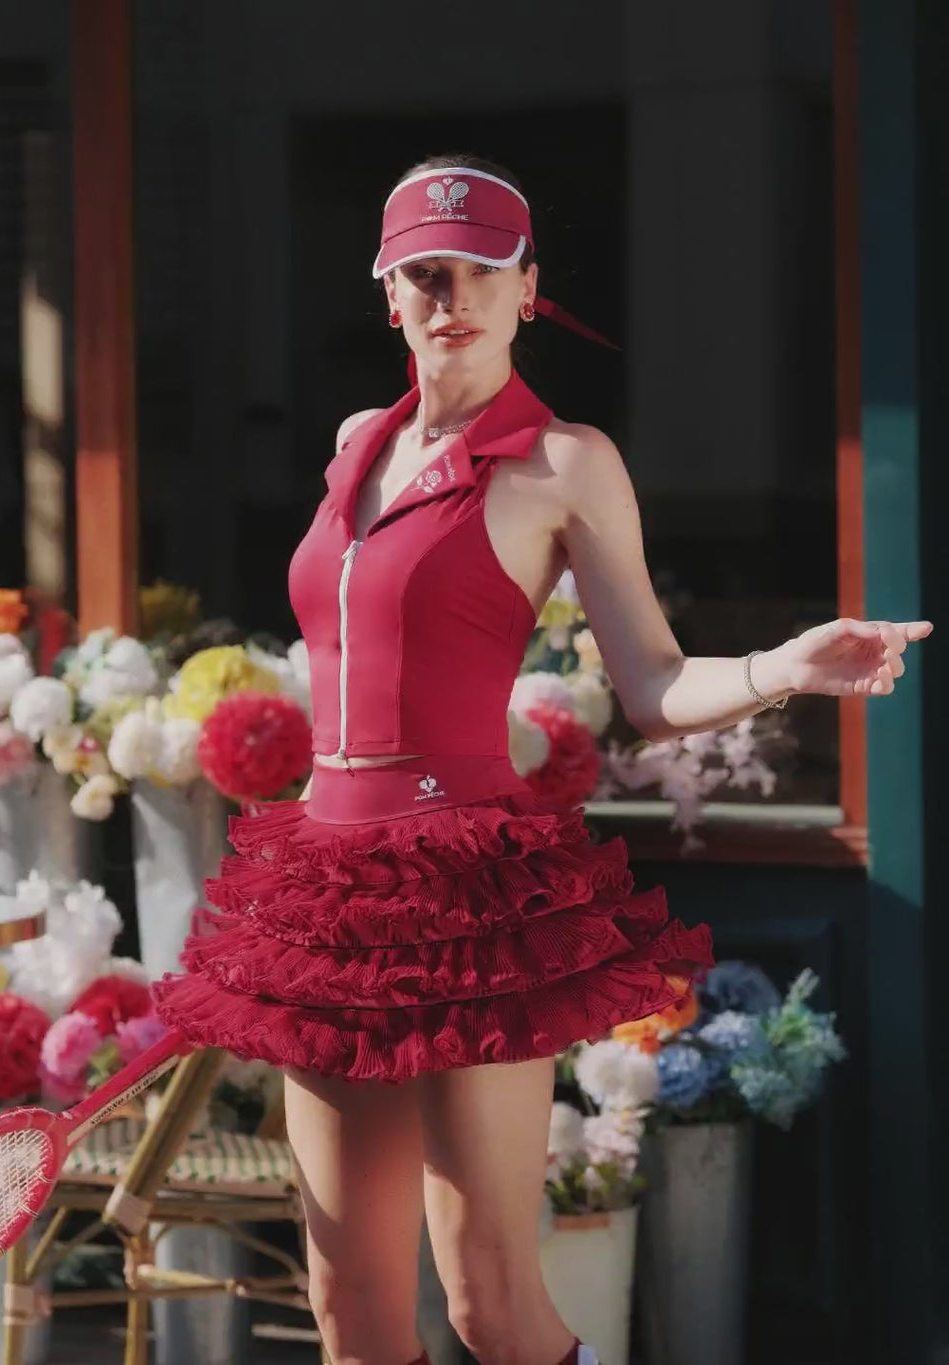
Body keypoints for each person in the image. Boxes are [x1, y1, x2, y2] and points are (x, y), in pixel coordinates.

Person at [152, 154, 932, 1365]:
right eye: (424, 272)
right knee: (349, 1313)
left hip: (466, 892)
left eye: (481, 269)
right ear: (388, 294)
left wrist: (783, 665)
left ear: (528, 288)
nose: (452, 295)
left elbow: (653, 687)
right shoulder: (355, 444)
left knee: (491, 1305)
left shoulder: (564, 462)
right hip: (330, 893)